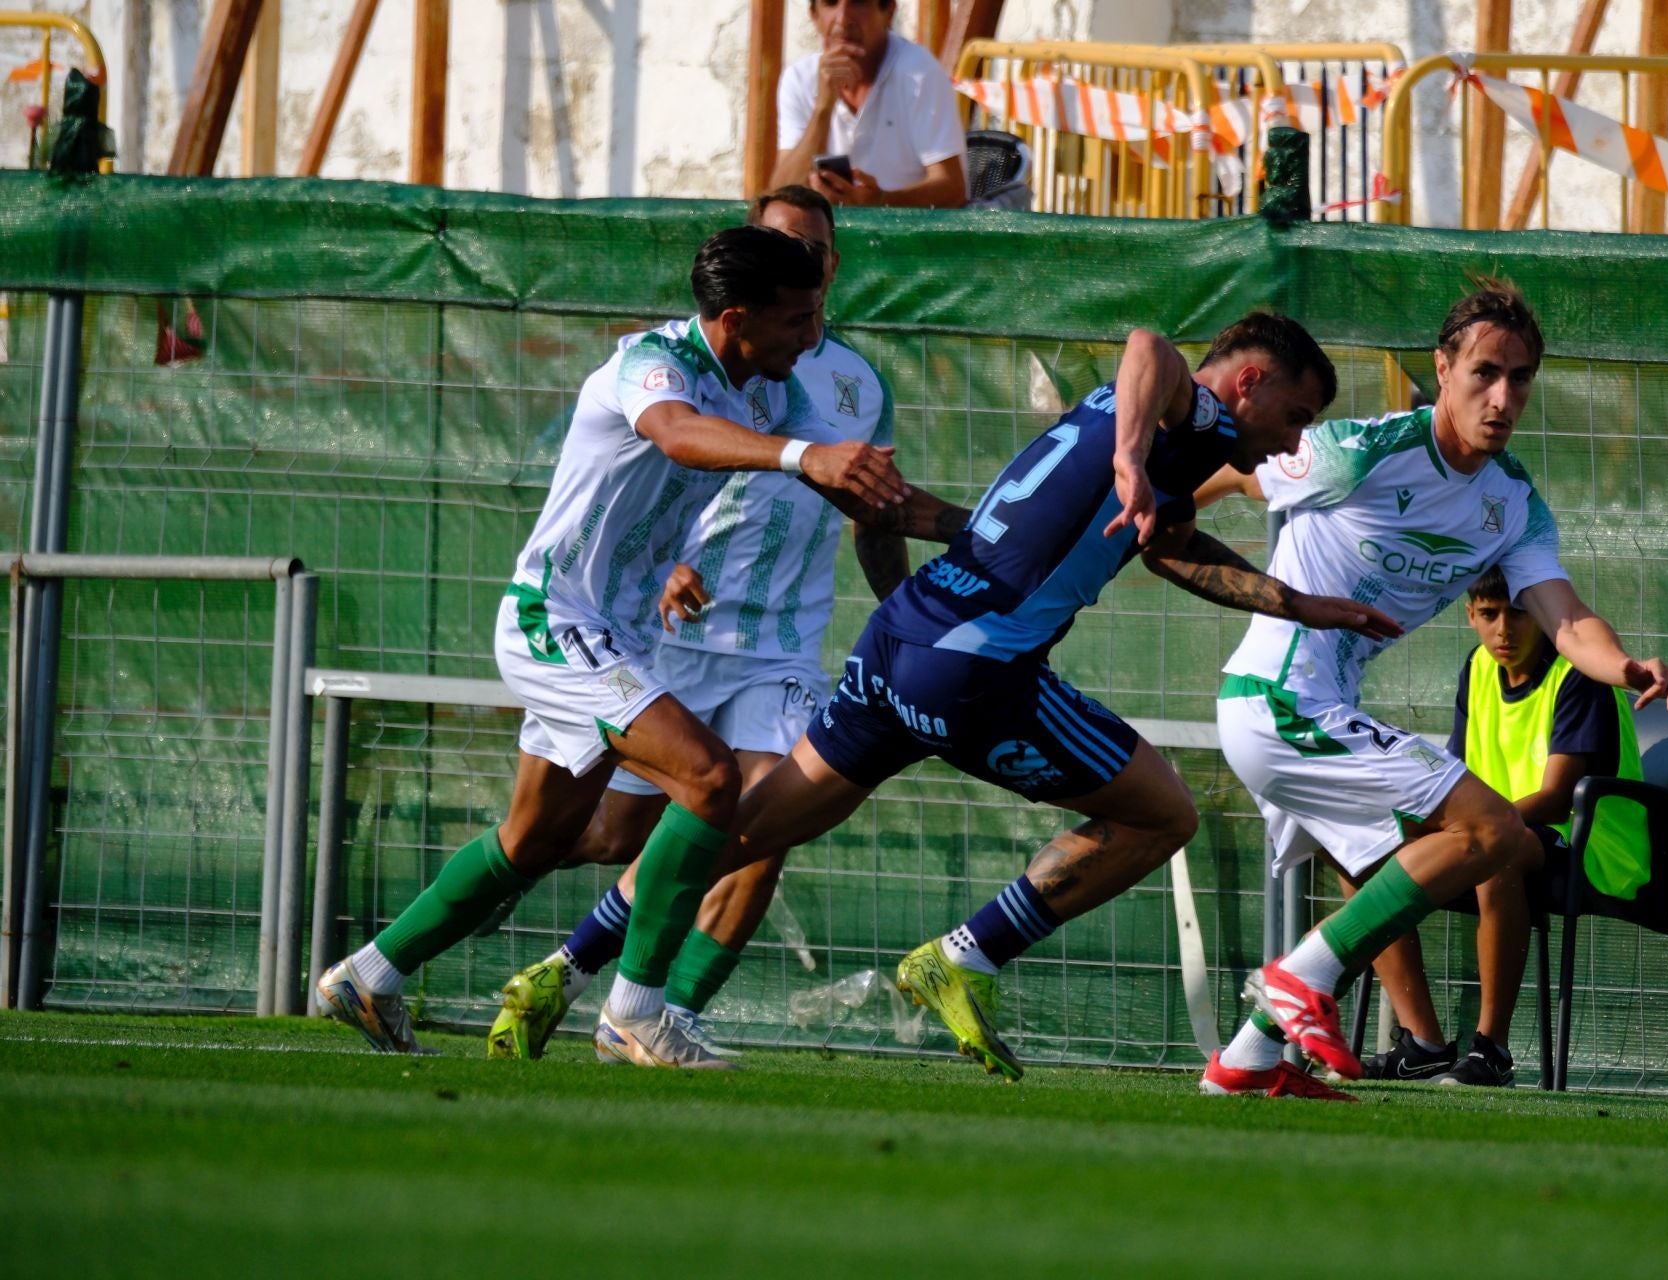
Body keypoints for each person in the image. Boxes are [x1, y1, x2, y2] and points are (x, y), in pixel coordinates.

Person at [607, 313, 1401, 1089]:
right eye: (1296, 417)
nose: (1296, 441)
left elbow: (1173, 549)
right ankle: (963, 956)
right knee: (1163, 813)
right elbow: (1149, 345)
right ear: (1250, 383)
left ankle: (580, 969)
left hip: (905, 632)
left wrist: (1298, 603)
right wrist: (1131, 457)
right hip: (974, 664)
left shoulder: (1162, 430)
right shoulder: (1186, 414)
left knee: (753, 823)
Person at [312, 225, 920, 1063]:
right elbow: (676, 432)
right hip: (554, 621)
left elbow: (857, 483)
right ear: (736, 317)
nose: (813, 336)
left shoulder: (770, 391)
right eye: (798, 319)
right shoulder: (652, 363)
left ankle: (369, 976)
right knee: (711, 779)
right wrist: (802, 456)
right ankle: (636, 1013)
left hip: (618, 635)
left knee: (536, 843)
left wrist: (1003, 533)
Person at [1199, 281, 1668, 1098]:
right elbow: (1236, 469)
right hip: (1280, 700)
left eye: (1522, 378)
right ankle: (1299, 979)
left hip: (1315, 712)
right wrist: (1142, 504)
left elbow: (1564, 619)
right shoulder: (1361, 451)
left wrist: (1625, 665)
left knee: (1404, 869)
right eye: (1485, 373)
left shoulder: (1514, 505)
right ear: (1443, 368)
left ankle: (1249, 1058)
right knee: (1496, 830)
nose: (1503, 398)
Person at [483, 185, 923, 1061]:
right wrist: (665, 562)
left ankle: (656, 1010)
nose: (804, 260)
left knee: (765, 819)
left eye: (815, 248)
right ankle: (556, 961)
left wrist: (909, 602)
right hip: (673, 632)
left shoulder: (854, 382)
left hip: (781, 643)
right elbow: (670, 453)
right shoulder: (696, 362)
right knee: (610, 834)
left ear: (833, 263)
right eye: (779, 242)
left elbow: (867, 504)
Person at [1351, 565, 1651, 1087]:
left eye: (1518, 614)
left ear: (1542, 616)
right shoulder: (1478, 669)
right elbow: (1455, 772)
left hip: (1593, 844)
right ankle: (1422, 1043)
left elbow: (1558, 800)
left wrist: (1470, 828)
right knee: (1363, 853)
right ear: (1470, 616)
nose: (1504, 630)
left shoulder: (1577, 673)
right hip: (1502, 830)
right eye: (1489, 615)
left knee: (1500, 852)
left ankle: (1492, 1052)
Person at [769, 0, 968, 209]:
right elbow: (781, 195)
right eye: (830, 3)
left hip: (905, 236)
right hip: (826, 236)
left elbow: (952, 189)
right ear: (814, 15)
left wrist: (880, 203)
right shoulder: (799, 78)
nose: (843, 19)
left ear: (888, 12)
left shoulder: (919, 73)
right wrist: (823, 109)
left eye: (858, 3)